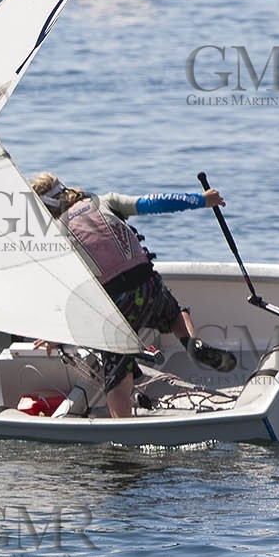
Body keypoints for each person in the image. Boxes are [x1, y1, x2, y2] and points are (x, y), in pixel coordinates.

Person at [29, 173, 238, 419]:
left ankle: (124, 433)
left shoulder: (56, 235)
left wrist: (57, 335)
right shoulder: (104, 201)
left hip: (118, 306)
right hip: (149, 285)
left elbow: (66, 292)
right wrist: (201, 200)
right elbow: (154, 202)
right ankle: (193, 344)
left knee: (116, 381)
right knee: (174, 313)